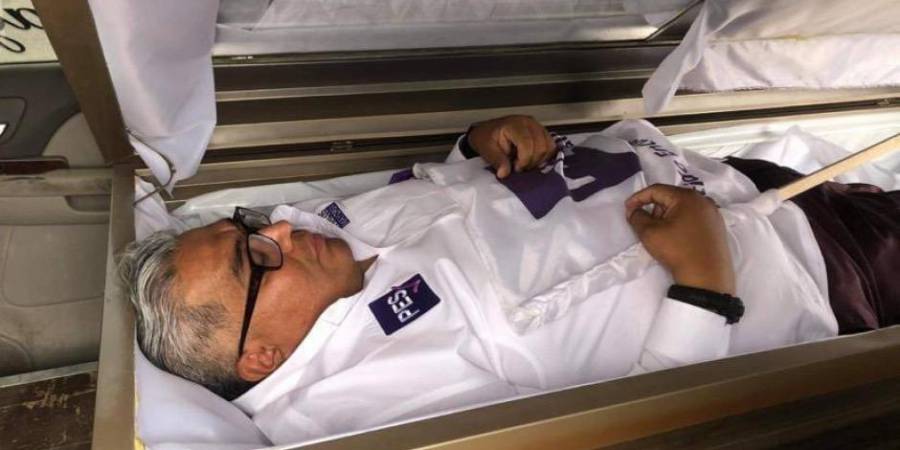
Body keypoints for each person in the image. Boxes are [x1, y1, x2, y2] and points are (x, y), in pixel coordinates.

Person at [119, 116, 898, 445]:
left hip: (742, 183)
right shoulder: (362, 412)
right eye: (256, 258)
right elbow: (632, 431)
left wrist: (479, 145)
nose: (284, 232)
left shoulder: (313, 242)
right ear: (261, 356)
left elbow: (427, 194)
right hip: (814, 271)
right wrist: (702, 281)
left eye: (251, 228)